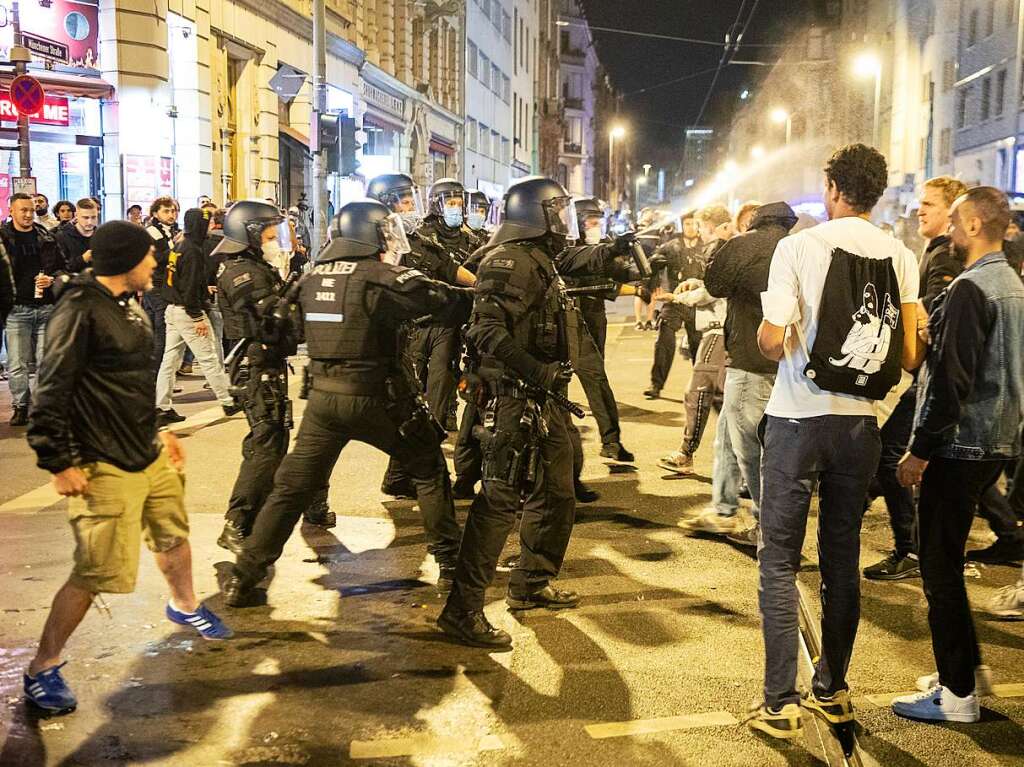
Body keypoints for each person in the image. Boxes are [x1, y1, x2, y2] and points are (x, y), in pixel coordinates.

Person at [23, 221, 232, 715]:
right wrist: (58, 462)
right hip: (102, 462)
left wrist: (159, 430)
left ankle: (184, 606)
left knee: (173, 534)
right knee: (96, 571)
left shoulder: (127, 305)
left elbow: (132, 381)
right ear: (126, 262)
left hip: (146, 449)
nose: (156, 264)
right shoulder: (78, 311)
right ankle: (42, 666)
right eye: (149, 257)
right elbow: (50, 392)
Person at [748, 144, 920, 739]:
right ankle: (832, 687)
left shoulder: (796, 247)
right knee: (841, 559)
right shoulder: (901, 255)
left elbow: (772, 341)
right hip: (860, 428)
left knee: (779, 560)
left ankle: (779, 702)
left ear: (832, 187)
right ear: (873, 193)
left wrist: (782, 337)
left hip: (797, 419)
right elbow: (912, 351)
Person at [222, 199, 472, 606]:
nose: (391, 240)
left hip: (323, 401)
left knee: (290, 490)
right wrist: (479, 294)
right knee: (427, 468)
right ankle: (449, 563)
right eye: (385, 232)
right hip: (378, 398)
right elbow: (441, 299)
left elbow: (286, 328)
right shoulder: (382, 276)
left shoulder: (312, 276)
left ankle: (245, 577)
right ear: (369, 234)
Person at [438, 177, 632, 649]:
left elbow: (574, 260)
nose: (564, 219)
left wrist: (610, 251)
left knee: (558, 491)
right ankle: (461, 612)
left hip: (542, 400)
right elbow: (485, 331)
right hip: (513, 399)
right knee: (499, 502)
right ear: (537, 214)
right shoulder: (507, 260)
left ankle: (530, 583)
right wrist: (535, 372)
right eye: (558, 210)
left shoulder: (538, 254)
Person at [891, 187, 1024, 724]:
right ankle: (962, 673)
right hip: (997, 440)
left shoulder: (973, 288)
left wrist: (919, 451)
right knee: (946, 561)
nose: (947, 229)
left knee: (940, 568)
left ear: (972, 226)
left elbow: (952, 379)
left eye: (954, 221)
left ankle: (958, 695)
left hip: (961, 442)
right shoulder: (1012, 284)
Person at [215, 201, 333, 555]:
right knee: (267, 444)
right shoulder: (241, 273)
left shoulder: (254, 266)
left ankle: (266, 516)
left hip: (267, 365)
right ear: (249, 233)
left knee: (272, 441)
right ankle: (237, 523)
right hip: (255, 366)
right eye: (268, 233)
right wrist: (296, 297)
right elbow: (276, 318)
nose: (274, 239)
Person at [679, 202, 798, 537]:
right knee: (729, 438)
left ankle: (768, 526)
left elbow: (716, 283)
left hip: (750, 360)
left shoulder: (747, 244)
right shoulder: (797, 246)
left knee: (750, 447)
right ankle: (724, 509)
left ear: (754, 220)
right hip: (781, 360)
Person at [366, 173, 475, 498]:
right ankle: (403, 475)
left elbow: (449, 269)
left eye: (413, 200)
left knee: (437, 399)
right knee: (405, 406)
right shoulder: (369, 243)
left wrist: (483, 286)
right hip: (403, 333)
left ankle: (413, 477)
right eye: (405, 202)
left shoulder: (421, 240)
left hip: (440, 327)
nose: (411, 208)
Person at [154, 208, 236, 425]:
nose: (210, 228)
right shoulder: (193, 250)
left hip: (172, 309)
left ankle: (161, 406)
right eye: (206, 224)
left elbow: (177, 279)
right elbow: (189, 285)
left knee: (169, 361)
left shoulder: (180, 245)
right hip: (187, 311)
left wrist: (201, 290)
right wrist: (197, 315)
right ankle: (228, 400)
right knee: (208, 356)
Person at [2, 193, 68, 426]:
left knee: (45, 361)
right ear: (11, 211)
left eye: (31, 210)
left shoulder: (45, 236)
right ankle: (21, 406)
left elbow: (62, 267)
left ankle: (41, 407)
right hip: (16, 309)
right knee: (17, 362)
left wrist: (52, 279)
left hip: (46, 307)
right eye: (23, 210)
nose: (29, 214)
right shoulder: (3, 238)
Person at [645, 211, 703, 399]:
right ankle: (656, 384)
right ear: (682, 225)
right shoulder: (672, 246)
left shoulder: (707, 246)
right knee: (664, 339)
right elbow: (652, 262)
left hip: (698, 301)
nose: (691, 227)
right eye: (687, 224)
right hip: (674, 300)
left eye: (694, 223)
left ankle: (702, 386)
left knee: (699, 345)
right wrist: (653, 275)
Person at [143, 196, 181, 375]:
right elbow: (158, 258)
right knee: (161, 334)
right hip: (156, 286)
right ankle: (158, 378)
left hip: (164, 285)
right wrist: (177, 246)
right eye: (166, 211)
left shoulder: (172, 230)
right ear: (155, 213)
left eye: (173, 211)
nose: (171, 214)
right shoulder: (152, 231)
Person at [54, 198, 99, 273]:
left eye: (93, 217)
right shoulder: (62, 236)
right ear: (76, 216)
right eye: (85, 217)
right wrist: (83, 259)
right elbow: (59, 270)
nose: (90, 222)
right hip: (74, 282)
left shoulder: (102, 235)